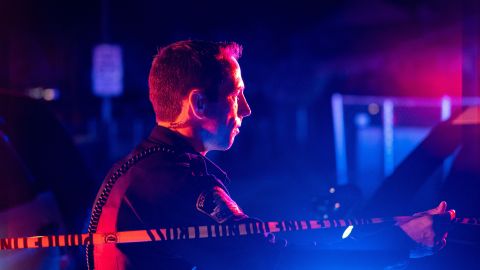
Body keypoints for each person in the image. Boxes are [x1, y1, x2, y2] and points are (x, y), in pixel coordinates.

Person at [88, 40, 452, 269]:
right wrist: (401, 245)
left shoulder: (140, 169)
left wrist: (385, 231)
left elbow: (259, 246)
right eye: (235, 95)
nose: (245, 110)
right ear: (198, 103)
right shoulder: (177, 183)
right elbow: (274, 259)